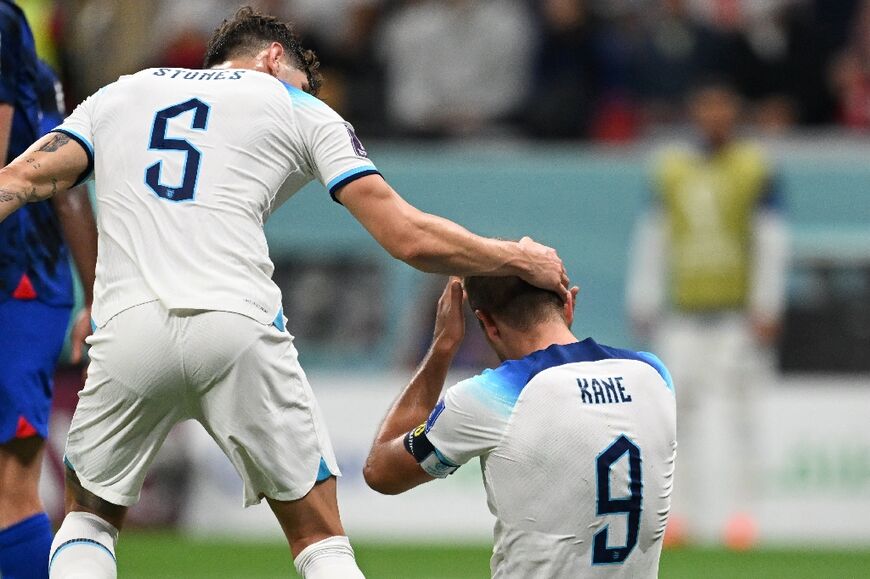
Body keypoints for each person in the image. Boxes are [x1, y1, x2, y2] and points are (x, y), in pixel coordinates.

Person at [0, 7, 569, 578]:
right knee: (318, 537)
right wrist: (516, 256)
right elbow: (407, 236)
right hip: (237, 324)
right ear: (274, 58)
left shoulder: (120, 93)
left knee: (87, 521)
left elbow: (20, 180)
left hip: (128, 330)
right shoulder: (297, 106)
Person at [364, 276, 677, 578]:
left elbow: (381, 471)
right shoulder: (653, 374)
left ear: (486, 324)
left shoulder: (490, 394)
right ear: (569, 305)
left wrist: (443, 345)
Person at [626, 80, 788, 545]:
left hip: (735, 313)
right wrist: (644, 296)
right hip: (685, 313)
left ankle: (744, 517)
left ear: (735, 115)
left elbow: (770, 241)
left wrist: (766, 303)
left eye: (723, 108)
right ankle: (679, 517)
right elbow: (653, 237)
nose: (714, 117)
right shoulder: (672, 169)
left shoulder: (755, 168)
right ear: (695, 114)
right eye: (707, 108)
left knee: (742, 414)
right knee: (678, 419)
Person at [0, 2, 96, 577]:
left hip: (18, 281)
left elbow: (64, 186)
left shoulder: (3, 23)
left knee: (10, 486)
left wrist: (97, 297)